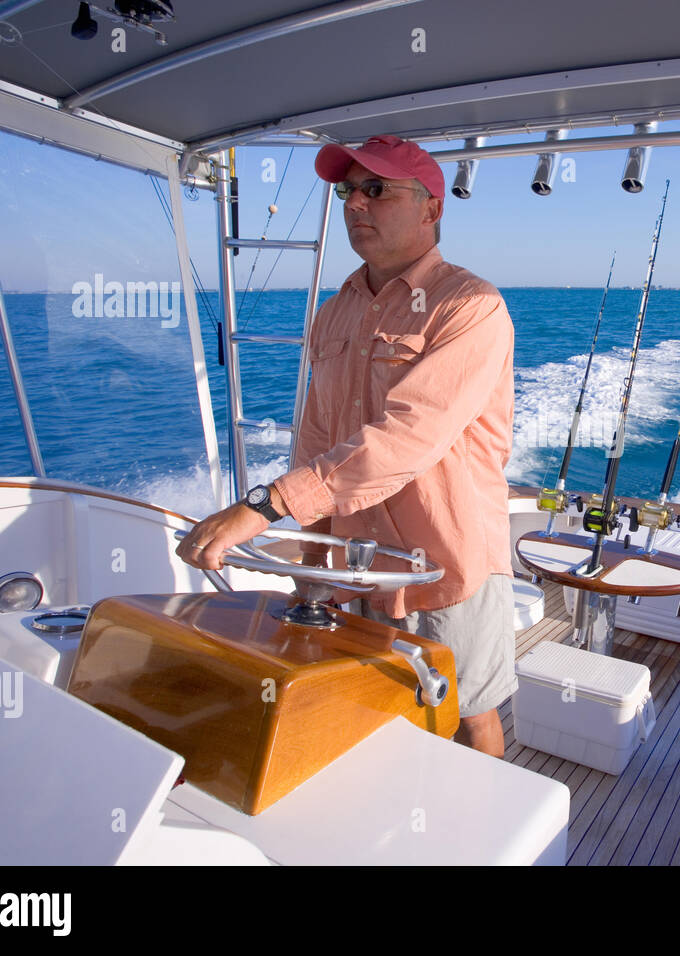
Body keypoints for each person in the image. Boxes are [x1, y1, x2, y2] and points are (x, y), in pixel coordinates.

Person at [176, 134, 516, 757]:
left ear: (430, 208)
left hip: (448, 557)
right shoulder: (334, 313)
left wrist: (264, 507)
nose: (355, 203)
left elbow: (407, 439)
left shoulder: (471, 307)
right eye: (347, 190)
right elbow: (315, 438)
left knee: (465, 710)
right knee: (379, 704)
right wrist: (311, 563)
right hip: (356, 562)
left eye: (376, 189)